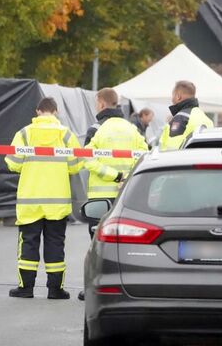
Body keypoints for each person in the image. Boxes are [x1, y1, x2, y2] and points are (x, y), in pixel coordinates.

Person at [5, 97, 83, 300]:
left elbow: (12, 163)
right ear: (55, 112)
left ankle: (26, 288)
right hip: (57, 202)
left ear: (38, 111)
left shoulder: (24, 134)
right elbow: (75, 166)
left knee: (28, 243)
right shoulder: (66, 135)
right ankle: (55, 289)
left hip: (30, 200)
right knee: (55, 244)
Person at [79, 88, 148, 301]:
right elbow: (146, 155)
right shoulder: (132, 129)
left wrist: (114, 175)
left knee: (97, 243)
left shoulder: (96, 129)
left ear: (101, 103)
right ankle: (126, 286)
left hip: (100, 198)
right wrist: (127, 178)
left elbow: (87, 159)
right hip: (126, 196)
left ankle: (94, 287)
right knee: (125, 241)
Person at [159, 80, 214, 151]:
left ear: (178, 97)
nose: (172, 99)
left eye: (173, 95)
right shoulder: (205, 118)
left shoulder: (181, 118)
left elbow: (171, 150)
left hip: (180, 161)